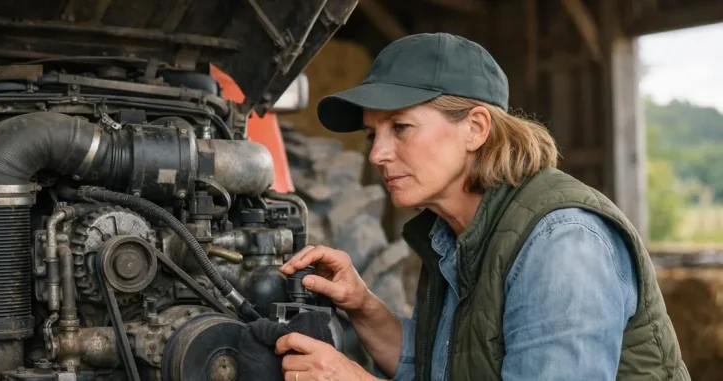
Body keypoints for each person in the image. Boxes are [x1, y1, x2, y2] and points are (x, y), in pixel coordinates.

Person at [274, 33, 689, 381]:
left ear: (475, 129)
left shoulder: (562, 243)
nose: (377, 154)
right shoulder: (454, 235)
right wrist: (361, 305)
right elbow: (439, 369)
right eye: (372, 135)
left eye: (401, 128)